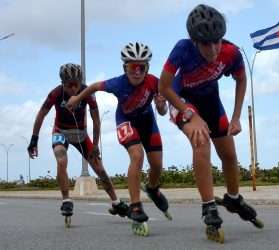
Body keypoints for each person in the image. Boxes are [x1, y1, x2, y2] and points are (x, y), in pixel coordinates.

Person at [158, 4, 262, 238]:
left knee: (229, 153)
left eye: (217, 40)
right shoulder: (182, 49)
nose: (214, 48)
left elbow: (241, 79)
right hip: (181, 99)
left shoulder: (231, 52)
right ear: (194, 41)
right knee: (201, 140)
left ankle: (233, 199)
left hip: (211, 102)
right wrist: (188, 114)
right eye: (206, 43)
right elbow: (162, 87)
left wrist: (235, 117)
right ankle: (208, 206)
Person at [65, 42, 170, 227]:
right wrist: (77, 98)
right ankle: (136, 205)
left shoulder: (154, 82)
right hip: (125, 121)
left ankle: (153, 189)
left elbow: (162, 112)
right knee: (137, 156)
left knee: (157, 165)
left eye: (141, 67)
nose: (137, 71)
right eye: (132, 67)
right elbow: (94, 87)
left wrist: (161, 106)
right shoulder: (118, 83)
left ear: (147, 68)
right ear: (124, 68)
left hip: (147, 123)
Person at [27, 63, 129, 218]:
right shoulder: (55, 93)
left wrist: (95, 145)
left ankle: (116, 202)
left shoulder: (87, 92)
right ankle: (66, 200)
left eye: (77, 84)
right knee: (61, 161)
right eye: (70, 85)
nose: (74, 89)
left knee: (100, 170)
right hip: (60, 131)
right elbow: (41, 114)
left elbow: (96, 120)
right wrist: (34, 139)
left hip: (81, 134)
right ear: (63, 83)